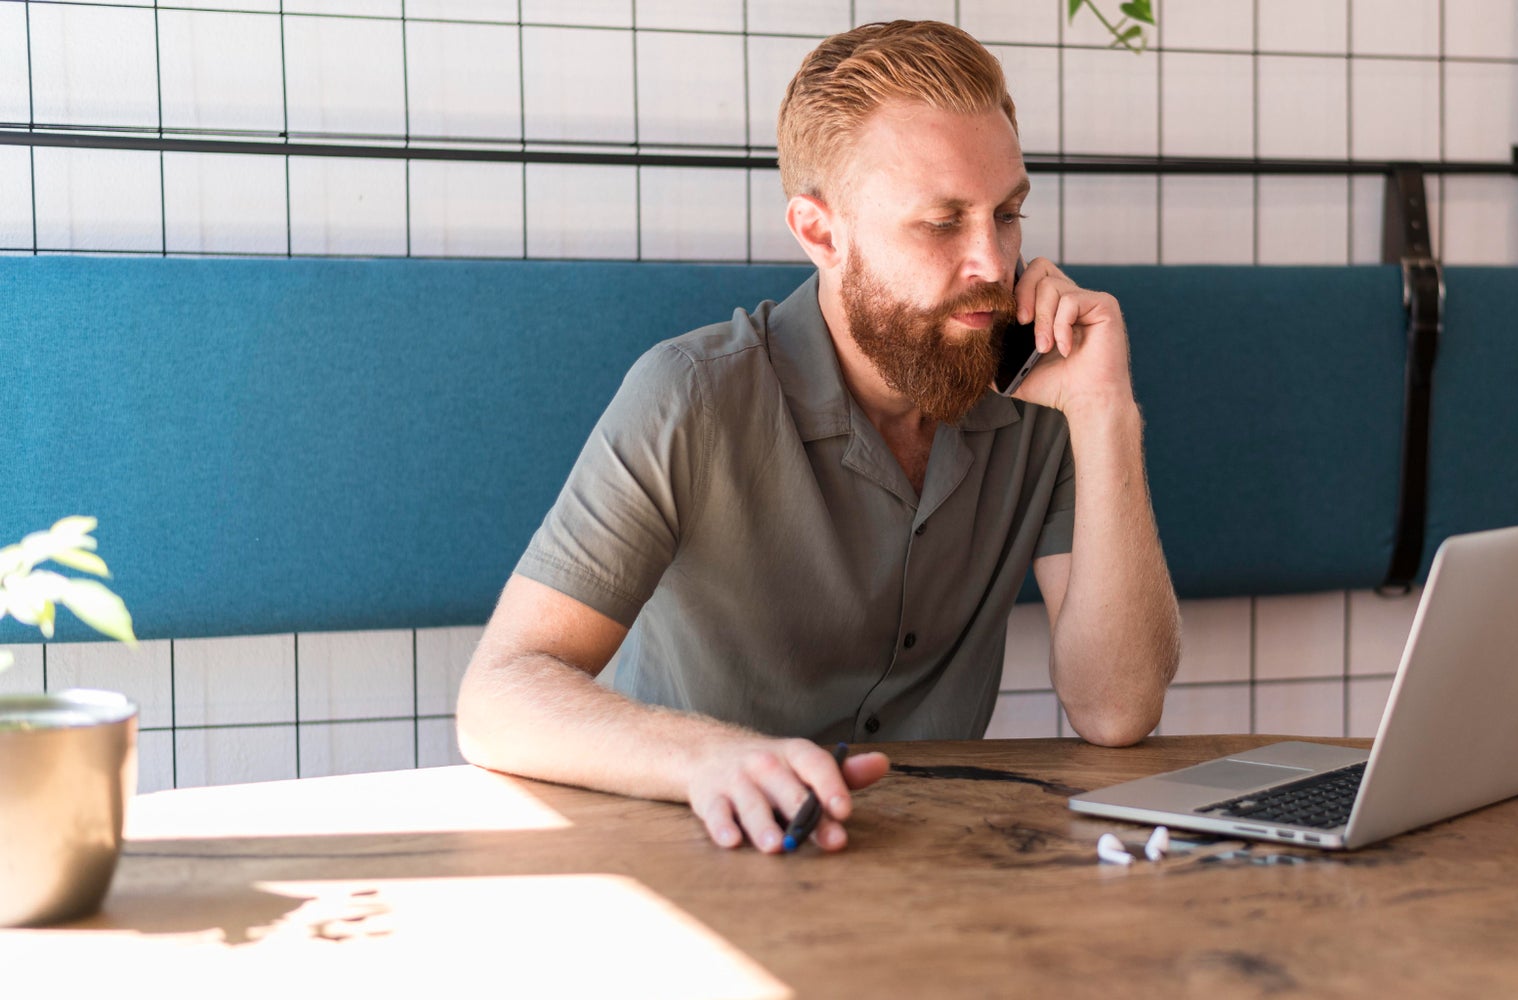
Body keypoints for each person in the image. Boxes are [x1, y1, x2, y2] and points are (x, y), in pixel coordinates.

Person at [456, 20, 1180, 854]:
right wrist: (713, 758)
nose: (993, 261)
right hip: (709, 850)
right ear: (821, 233)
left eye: (1007, 214)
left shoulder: (1043, 398)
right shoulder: (690, 396)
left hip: (947, 863)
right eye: (943, 222)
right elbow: (501, 692)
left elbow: (1117, 710)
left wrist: (1107, 414)